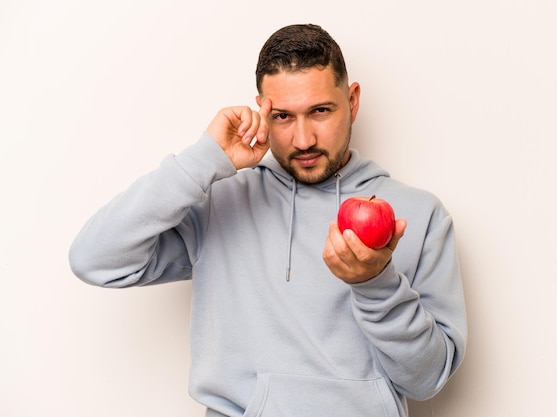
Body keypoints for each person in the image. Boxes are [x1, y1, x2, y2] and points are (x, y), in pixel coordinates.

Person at [69, 23, 467, 417]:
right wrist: (204, 160)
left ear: (353, 101)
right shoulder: (220, 203)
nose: (304, 139)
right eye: (282, 117)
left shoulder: (416, 216)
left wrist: (375, 284)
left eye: (321, 111)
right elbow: (95, 259)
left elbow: (427, 379)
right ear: (261, 110)